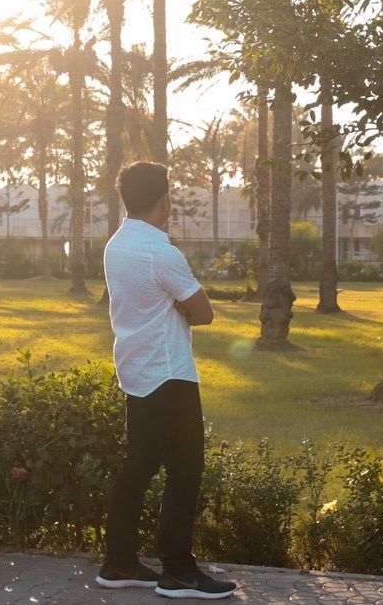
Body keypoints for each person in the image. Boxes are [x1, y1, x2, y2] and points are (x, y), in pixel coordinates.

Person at [96, 161, 238, 600]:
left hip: (136, 369)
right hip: (170, 372)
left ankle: (118, 563)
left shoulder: (115, 246)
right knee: (185, 471)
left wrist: (174, 304)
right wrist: (180, 306)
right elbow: (204, 312)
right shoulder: (162, 252)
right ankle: (177, 573)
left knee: (137, 466)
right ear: (165, 201)